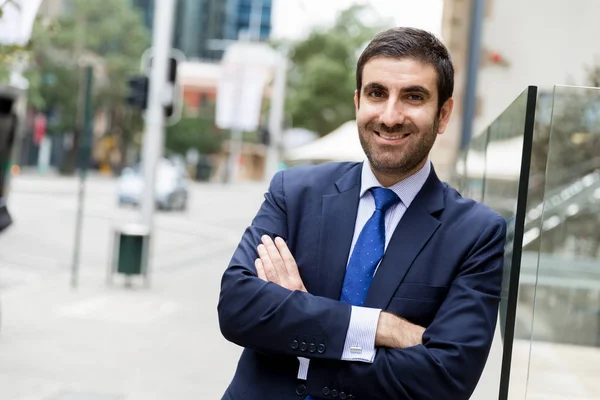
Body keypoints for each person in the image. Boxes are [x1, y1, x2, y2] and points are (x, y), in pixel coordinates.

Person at [218, 27, 507, 400]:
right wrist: (378, 328)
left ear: (444, 114)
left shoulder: (476, 234)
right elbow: (238, 308)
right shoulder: (293, 193)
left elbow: (446, 380)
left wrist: (302, 331)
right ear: (358, 102)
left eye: (413, 97)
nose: (390, 116)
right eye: (376, 94)